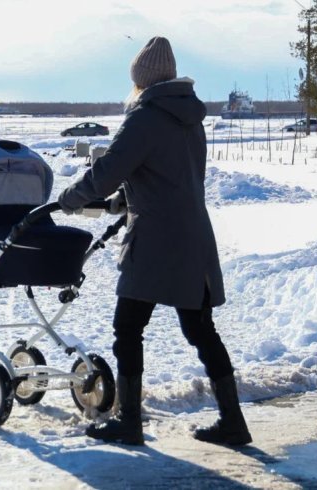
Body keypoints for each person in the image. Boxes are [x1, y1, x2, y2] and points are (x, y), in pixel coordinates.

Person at [58, 36, 252, 447]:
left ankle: (129, 422)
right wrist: (123, 202)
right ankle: (234, 422)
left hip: (155, 241)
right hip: (194, 238)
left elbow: (108, 170)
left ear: (141, 79)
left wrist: (69, 199)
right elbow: (168, 174)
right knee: (201, 331)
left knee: (127, 327)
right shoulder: (189, 117)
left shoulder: (144, 118)